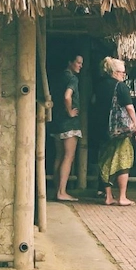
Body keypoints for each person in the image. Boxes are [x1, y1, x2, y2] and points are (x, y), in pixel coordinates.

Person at [97, 57, 136, 206]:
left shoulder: (100, 85)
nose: (124, 75)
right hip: (120, 131)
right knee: (124, 160)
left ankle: (108, 196)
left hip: (102, 129)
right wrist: (135, 126)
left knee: (105, 161)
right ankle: (122, 196)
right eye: (122, 72)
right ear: (115, 72)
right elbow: (129, 108)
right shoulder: (121, 87)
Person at [51, 53, 83, 202]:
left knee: (59, 156)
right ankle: (62, 191)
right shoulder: (72, 78)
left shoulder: (58, 77)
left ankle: (57, 189)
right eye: (78, 62)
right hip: (69, 123)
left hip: (57, 120)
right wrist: (70, 111)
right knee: (68, 156)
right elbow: (67, 96)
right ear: (70, 62)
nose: (80, 66)